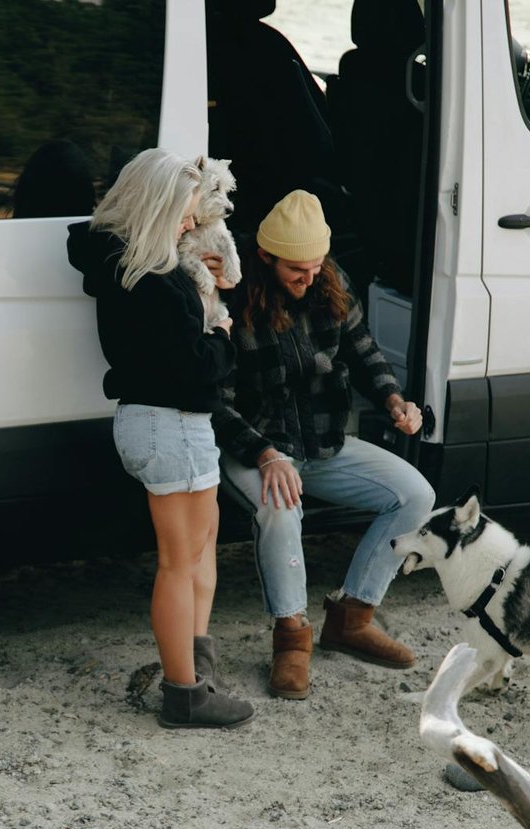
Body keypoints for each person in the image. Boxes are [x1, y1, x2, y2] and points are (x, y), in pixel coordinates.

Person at [213, 189, 435, 699]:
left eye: (316, 267)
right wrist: (266, 455)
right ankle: (291, 641)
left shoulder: (331, 279)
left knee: (414, 495)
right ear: (265, 257)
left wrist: (394, 401)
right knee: (280, 508)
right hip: (256, 448)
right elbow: (215, 401)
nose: (309, 278)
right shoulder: (230, 294)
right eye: (297, 270)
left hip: (325, 445)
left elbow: (364, 352)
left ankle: (352, 619)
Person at [66, 148, 255, 730]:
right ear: (156, 207)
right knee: (180, 561)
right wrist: (222, 331)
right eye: (183, 213)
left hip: (164, 421)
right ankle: (184, 693)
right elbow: (195, 365)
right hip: (169, 420)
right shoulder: (149, 279)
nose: (191, 223)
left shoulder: (133, 266)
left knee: (201, 547)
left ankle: (194, 665)